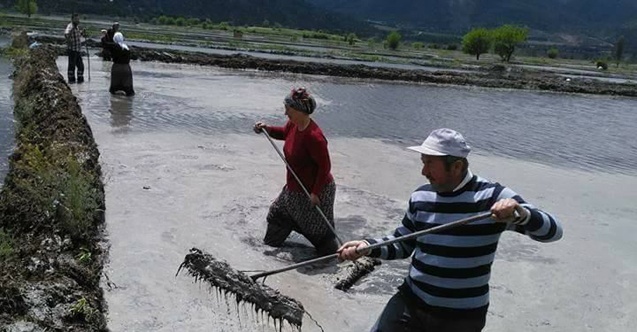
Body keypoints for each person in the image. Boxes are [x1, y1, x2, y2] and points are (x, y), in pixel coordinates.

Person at [338, 128, 563, 332]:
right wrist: (367, 247)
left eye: (429, 163)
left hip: (461, 318)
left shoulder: (491, 198)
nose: (423, 171)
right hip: (411, 302)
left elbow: (553, 232)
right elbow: (403, 242)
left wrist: (521, 214)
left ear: (456, 166)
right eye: (422, 162)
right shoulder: (421, 196)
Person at [253, 87, 339, 256]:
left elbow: (325, 167)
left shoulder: (315, 137)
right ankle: (268, 252)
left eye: (288, 109)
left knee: (319, 234)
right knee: (277, 215)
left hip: (313, 191)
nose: (285, 113)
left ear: (300, 110)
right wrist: (267, 129)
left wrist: (315, 193)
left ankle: (331, 260)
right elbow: (284, 133)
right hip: (293, 189)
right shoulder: (293, 124)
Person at [104, 32, 135, 96]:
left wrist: (105, 35)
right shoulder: (126, 48)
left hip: (116, 68)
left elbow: (105, 44)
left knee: (113, 90)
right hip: (126, 68)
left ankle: (114, 103)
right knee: (129, 91)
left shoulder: (114, 46)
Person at [64, 13, 85, 83]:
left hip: (77, 50)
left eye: (78, 19)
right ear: (72, 19)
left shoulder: (77, 27)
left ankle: (80, 80)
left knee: (81, 66)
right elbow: (66, 33)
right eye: (76, 19)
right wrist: (69, 40)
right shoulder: (71, 26)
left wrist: (82, 33)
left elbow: (77, 35)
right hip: (72, 50)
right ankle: (71, 81)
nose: (78, 20)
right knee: (72, 66)